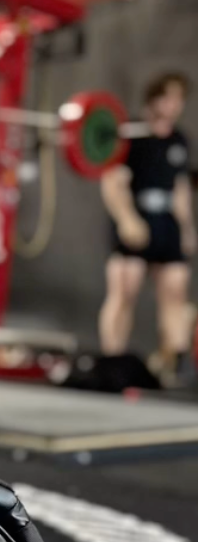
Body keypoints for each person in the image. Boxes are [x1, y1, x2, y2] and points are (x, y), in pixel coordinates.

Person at [99, 72, 196, 381]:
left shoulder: (179, 141)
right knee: (125, 288)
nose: (172, 105)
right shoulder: (131, 135)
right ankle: (112, 359)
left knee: (175, 289)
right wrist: (127, 219)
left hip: (166, 223)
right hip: (137, 216)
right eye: (167, 97)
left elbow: (180, 189)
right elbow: (113, 181)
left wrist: (187, 229)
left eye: (178, 99)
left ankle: (175, 363)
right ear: (153, 99)